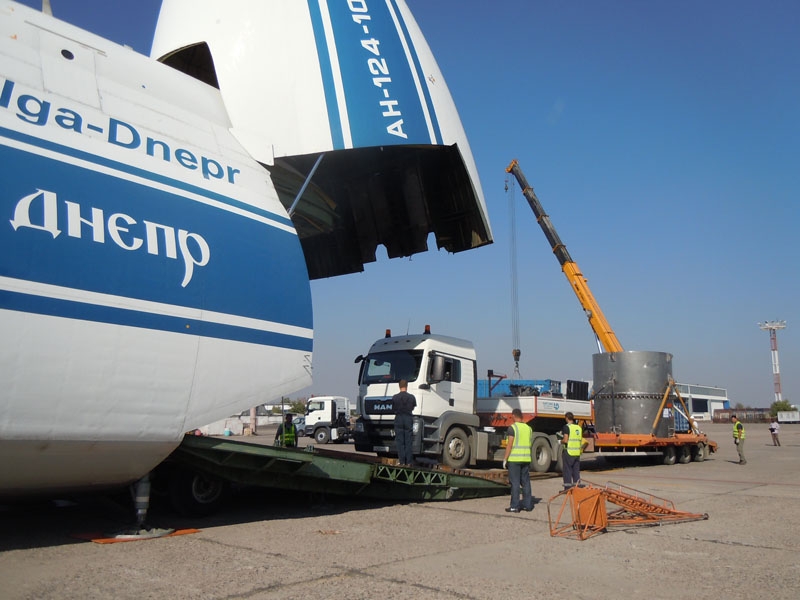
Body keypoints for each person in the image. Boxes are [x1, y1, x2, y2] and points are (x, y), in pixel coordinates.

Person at [502, 408, 533, 513]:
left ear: (514, 416)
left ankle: (514, 506)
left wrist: (505, 459)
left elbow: (509, 445)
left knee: (515, 483)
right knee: (525, 482)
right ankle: (528, 505)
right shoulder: (529, 428)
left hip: (515, 459)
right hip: (526, 459)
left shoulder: (512, 428)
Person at [561, 411, 588, 490]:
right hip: (577, 452)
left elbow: (565, 440)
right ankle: (577, 488)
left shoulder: (566, 427)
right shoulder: (578, 428)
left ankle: (568, 488)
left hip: (569, 452)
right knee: (576, 471)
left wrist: (560, 441)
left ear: (566, 418)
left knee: (567, 471)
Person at [392, 379, 417, 465]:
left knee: (400, 441)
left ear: (399, 386)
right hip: (408, 418)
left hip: (399, 418)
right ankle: (409, 462)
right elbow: (413, 407)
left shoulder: (395, 397)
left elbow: (393, 408)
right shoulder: (412, 397)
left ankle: (402, 461)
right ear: (407, 386)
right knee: (408, 441)